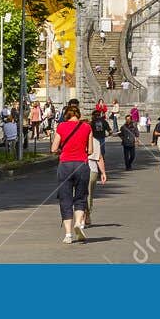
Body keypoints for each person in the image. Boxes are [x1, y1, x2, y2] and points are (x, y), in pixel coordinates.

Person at [51, 101, 103, 243]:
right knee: (81, 197)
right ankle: (79, 223)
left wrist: (63, 150)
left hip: (65, 165)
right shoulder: (87, 127)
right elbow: (91, 151)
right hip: (82, 165)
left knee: (65, 198)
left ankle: (68, 235)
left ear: (67, 115)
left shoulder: (61, 126)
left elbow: (54, 148)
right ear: (78, 115)